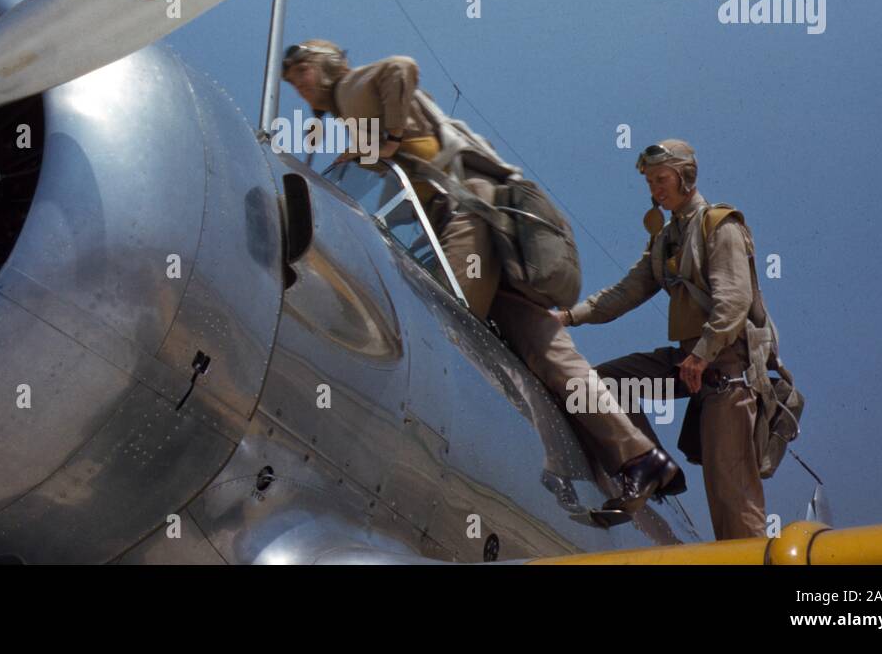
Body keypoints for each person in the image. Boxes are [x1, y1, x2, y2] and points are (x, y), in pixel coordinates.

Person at [281, 40, 679, 518]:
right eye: (292, 80)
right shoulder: (350, 112)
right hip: (487, 227)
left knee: (438, 323)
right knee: (545, 346)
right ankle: (639, 456)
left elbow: (401, 69)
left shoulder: (350, 90)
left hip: (467, 219)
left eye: (301, 72)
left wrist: (382, 137)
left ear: (323, 66)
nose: (299, 86)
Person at [554, 139, 768, 539]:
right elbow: (623, 294)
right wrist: (566, 317)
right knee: (598, 386)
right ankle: (649, 464)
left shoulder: (720, 226)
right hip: (689, 364)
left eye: (661, 179)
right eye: (650, 182)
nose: (655, 190)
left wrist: (702, 354)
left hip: (726, 375)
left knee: (731, 502)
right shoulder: (665, 241)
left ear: (686, 176)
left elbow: (734, 300)